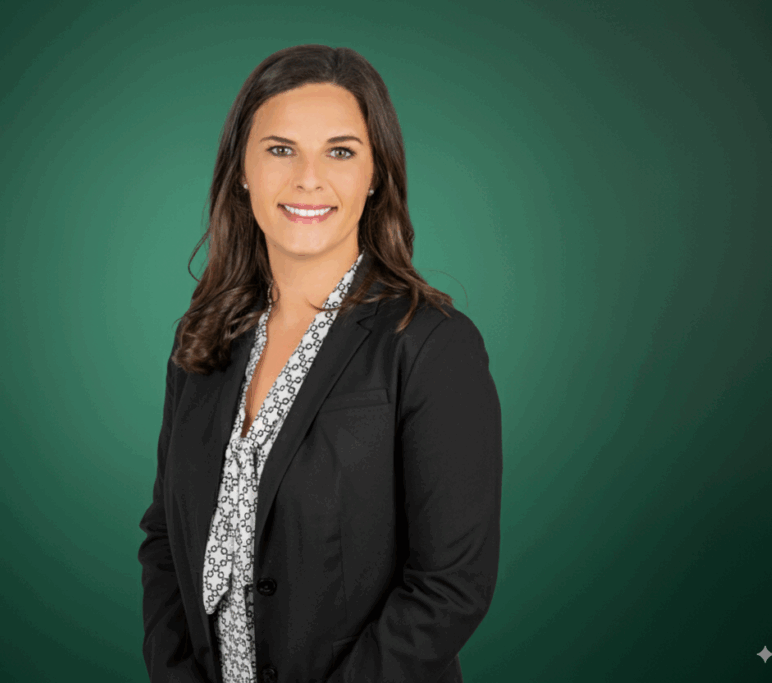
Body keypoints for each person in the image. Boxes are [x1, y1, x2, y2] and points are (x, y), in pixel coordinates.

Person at [138, 44, 502, 683]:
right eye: (280, 149)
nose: (309, 178)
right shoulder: (202, 341)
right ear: (242, 171)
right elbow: (165, 541)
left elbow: (449, 587)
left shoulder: (431, 345)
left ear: (376, 175)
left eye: (341, 151)